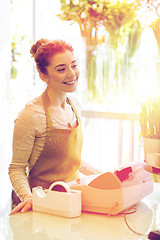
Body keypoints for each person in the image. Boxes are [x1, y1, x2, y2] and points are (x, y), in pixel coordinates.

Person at [9, 38, 100, 215]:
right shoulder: (31, 115)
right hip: (42, 207)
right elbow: (16, 168)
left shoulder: (74, 105)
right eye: (61, 69)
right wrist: (28, 198)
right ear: (44, 76)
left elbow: (74, 163)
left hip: (72, 201)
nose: (72, 74)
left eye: (74, 65)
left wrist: (106, 175)